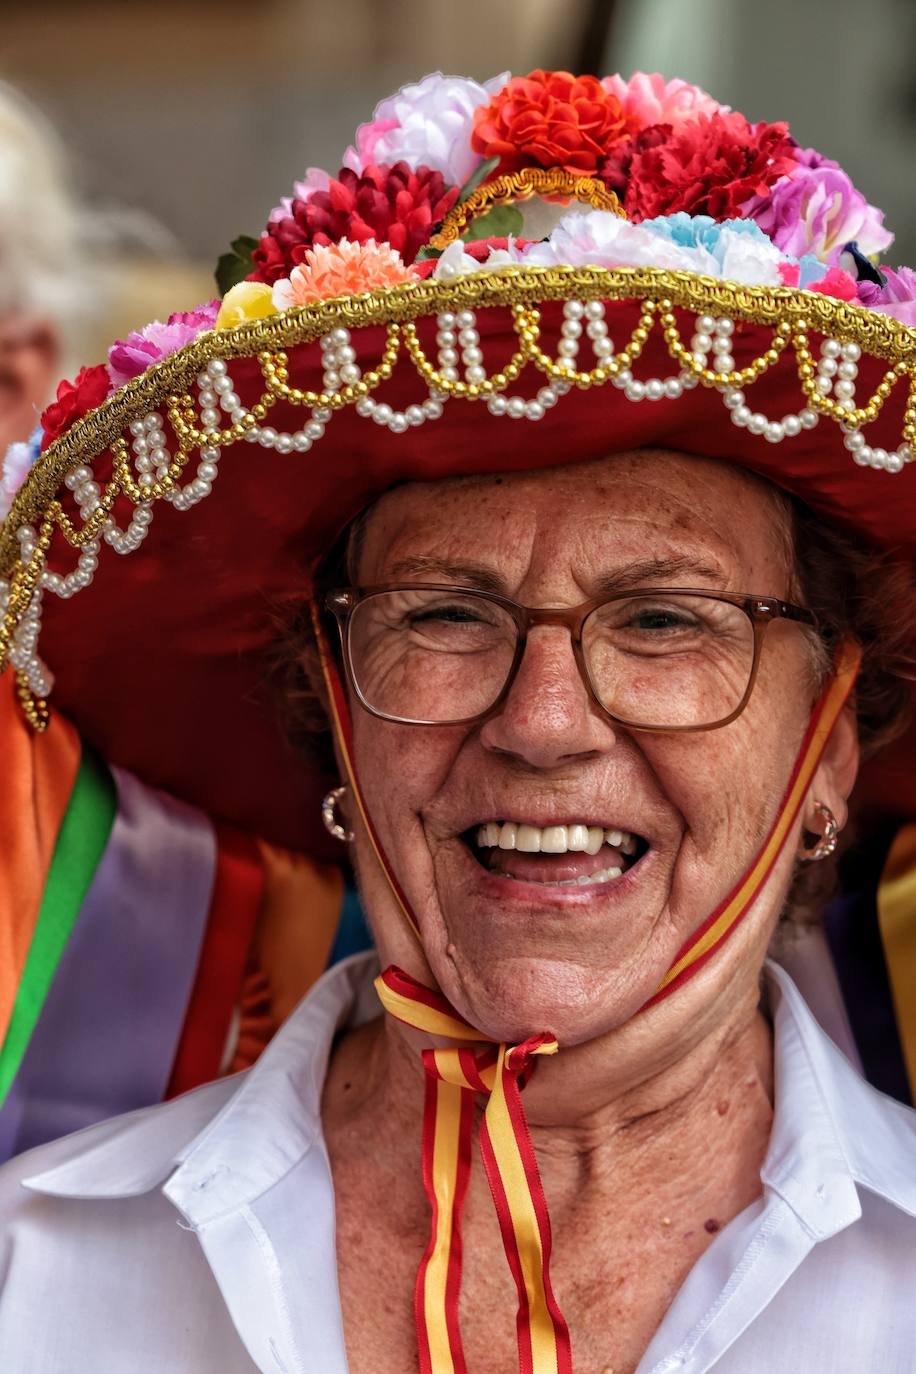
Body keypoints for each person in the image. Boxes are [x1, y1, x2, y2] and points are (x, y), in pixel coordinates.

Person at [1, 68, 915, 1373]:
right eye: (442, 617)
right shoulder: (37, 1271)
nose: (544, 725)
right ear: (331, 707)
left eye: (663, 621)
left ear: (826, 747)